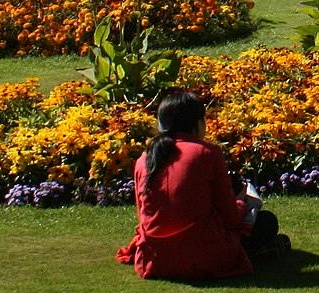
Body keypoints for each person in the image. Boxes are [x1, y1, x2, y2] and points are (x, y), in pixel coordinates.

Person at [116, 90, 284, 282]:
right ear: (197, 123)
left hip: (155, 259)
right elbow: (230, 219)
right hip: (205, 256)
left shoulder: (144, 159)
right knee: (265, 221)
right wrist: (241, 202)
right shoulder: (206, 153)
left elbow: (144, 216)